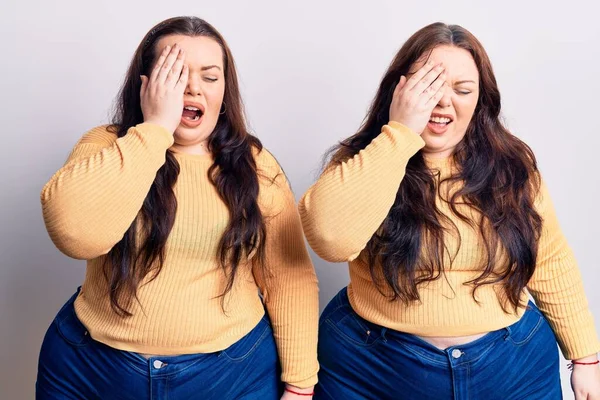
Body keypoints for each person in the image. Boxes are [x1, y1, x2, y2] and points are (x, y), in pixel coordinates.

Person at [299, 22, 600, 399]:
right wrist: (399, 134)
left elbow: (551, 260)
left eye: (462, 90)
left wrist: (586, 358)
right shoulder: (363, 160)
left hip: (511, 367)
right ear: (401, 90)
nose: (443, 101)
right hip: (375, 366)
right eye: (430, 86)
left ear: (480, 100)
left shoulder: (513, 166)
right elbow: (330, 240)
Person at [37, 16, 318, 399]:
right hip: (91, 370)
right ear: (147, 85)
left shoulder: (256, 164)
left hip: (229, 376)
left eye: (209, 76)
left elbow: (288, 275)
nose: (192, 87)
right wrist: (154, 129)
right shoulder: (106, 146)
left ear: (225, 91)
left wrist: (300, 385)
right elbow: (75, 235)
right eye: (175, 72)